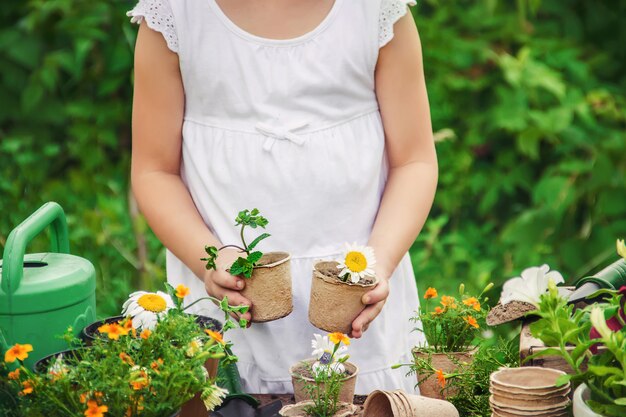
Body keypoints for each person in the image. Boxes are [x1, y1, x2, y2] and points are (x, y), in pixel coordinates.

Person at [128, 0, 438, 394]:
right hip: (233, 316)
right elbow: (155, 171)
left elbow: (414, 161)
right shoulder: (177, 15)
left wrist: (380, 261)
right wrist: (209, 261)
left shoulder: (373, 11)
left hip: (358, 315)